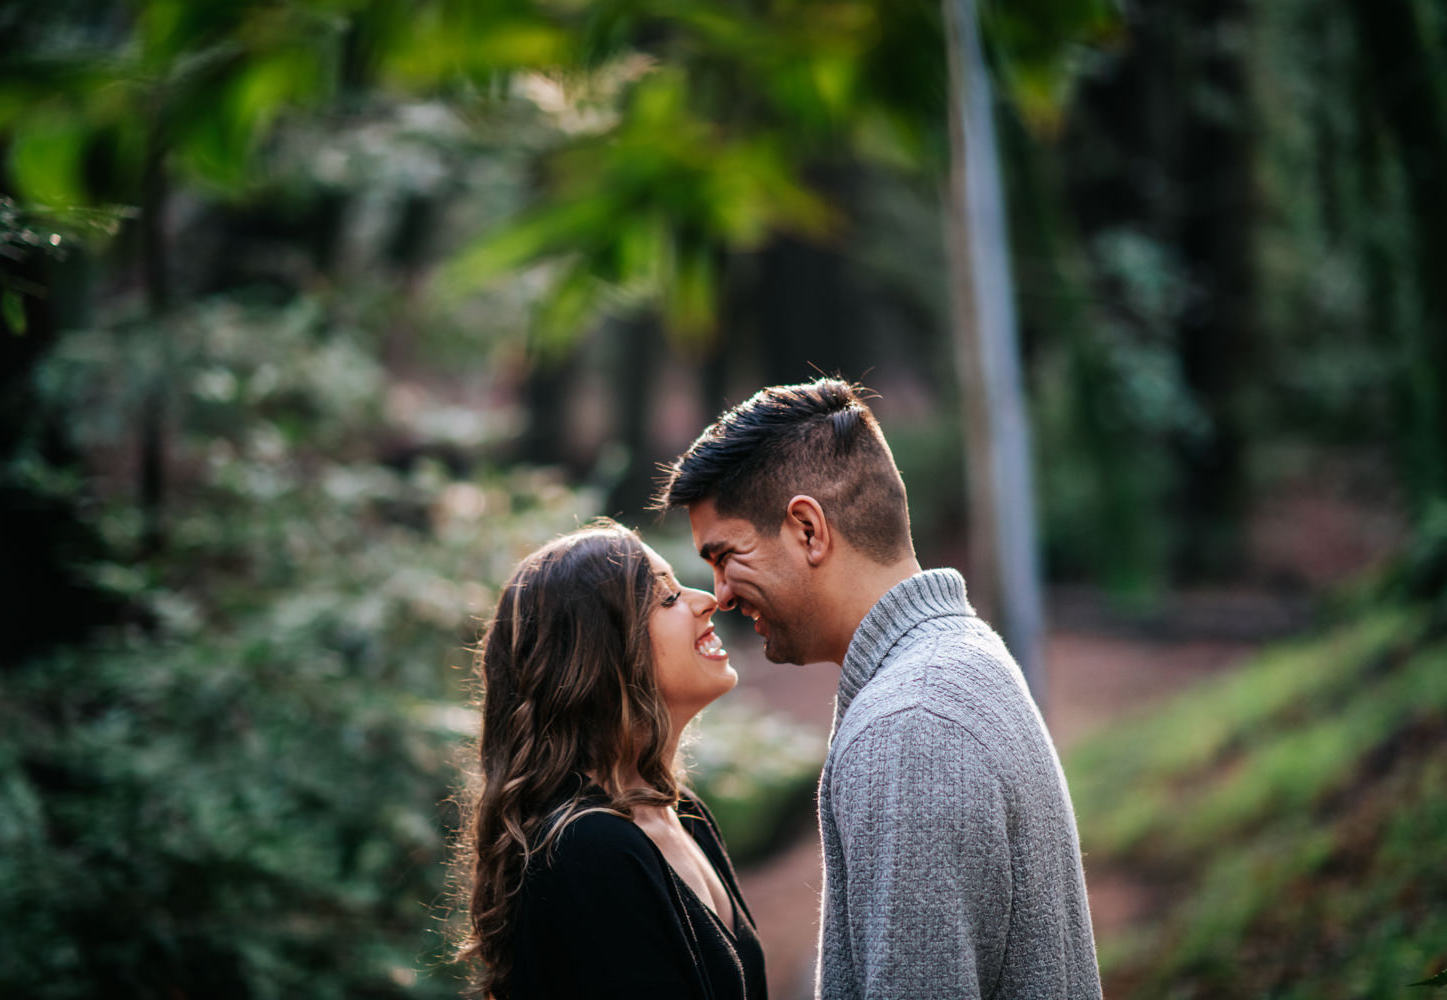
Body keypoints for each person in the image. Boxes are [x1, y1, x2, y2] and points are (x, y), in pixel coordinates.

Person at [654, 379, 1101, 999]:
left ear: (808, 529)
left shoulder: (909, 727)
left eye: (725, 556)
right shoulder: (961, 659)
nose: (721, 594)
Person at [457, 520, 768, 1000]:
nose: (707, 600)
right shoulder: (586, 849)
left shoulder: (684, 814)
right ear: (601, 654)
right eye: (667, 597)